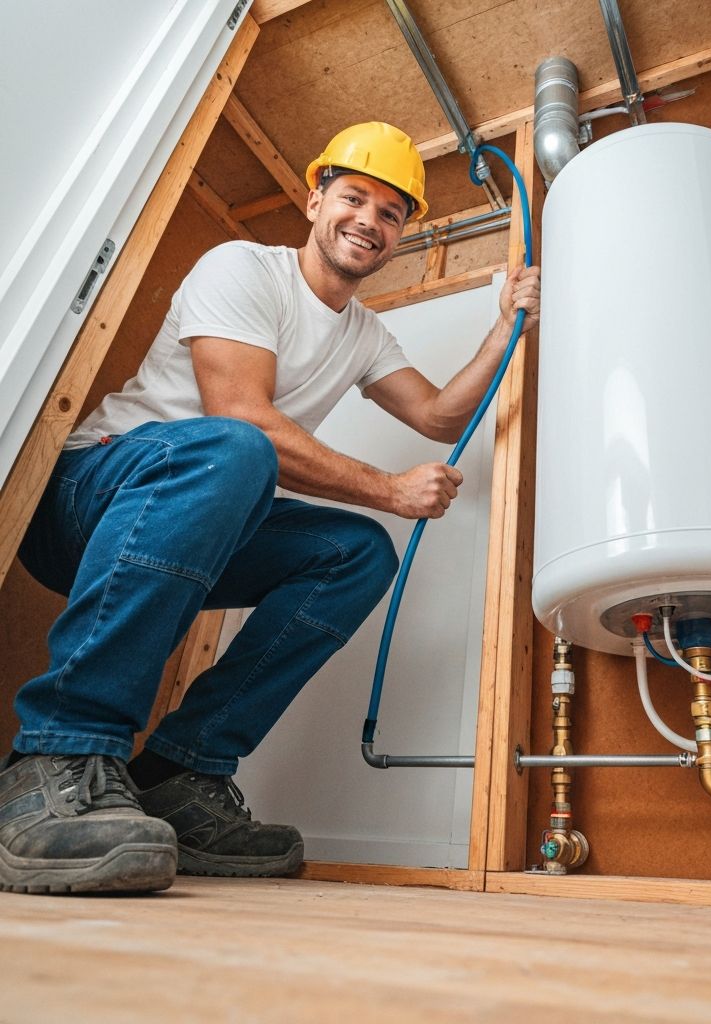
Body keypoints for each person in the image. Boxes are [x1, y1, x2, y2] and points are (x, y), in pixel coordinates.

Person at [0, 122, 540, 895]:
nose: (369, 221)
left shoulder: (363, 334)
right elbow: (241, 416)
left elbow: (440, 418)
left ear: (399, 235)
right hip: (89, 500)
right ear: (317, 198)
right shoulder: (244, 268)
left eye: (391, 213)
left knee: (356, 553)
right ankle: (56, 751)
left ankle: (180, 775)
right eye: (354, 198)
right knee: (234, 448)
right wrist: (389, 490)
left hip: (196, 526)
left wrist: (504, 325)